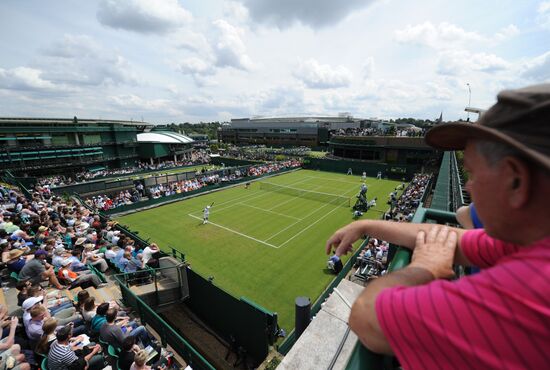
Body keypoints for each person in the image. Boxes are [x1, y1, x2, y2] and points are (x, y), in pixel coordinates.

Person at [325, 84, 550, 369]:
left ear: (516, 181)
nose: (468, 185)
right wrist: (368, 225)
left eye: (473, 173)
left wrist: (425, 268)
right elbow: (446, 237)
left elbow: (366, 316)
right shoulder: (528, 240)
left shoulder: (526, 298)